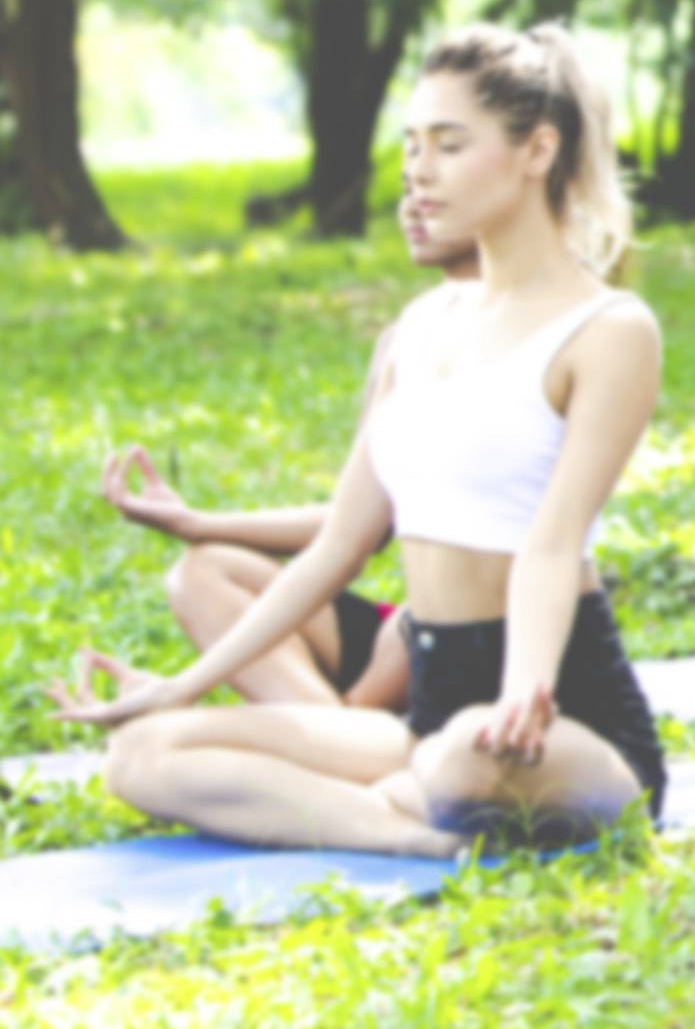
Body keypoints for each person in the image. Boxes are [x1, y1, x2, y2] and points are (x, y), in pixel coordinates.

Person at [53, 25, 666, 856]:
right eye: (413, 146)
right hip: (430, 712)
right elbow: (337, 548)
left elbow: (552, 546)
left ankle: (417, 800)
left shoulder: (609, 331)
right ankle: (412, 835)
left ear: (537, 151)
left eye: (449, 145)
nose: (419, 170)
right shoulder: (418, 328)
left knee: (461, 765)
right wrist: (181, 685)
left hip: (564, 718)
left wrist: (528, 684)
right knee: (143, 752)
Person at [66, 197, 479, 714]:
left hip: (470, 637)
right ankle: (335, 734)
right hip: (399, 635)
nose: (415, 199)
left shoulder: (547, 338)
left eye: (446, 152)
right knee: (204, 571)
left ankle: (336, 740)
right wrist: (195, 523)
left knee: (152, 757)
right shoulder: (406, 336)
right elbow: (357, 526)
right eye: (410, 163)